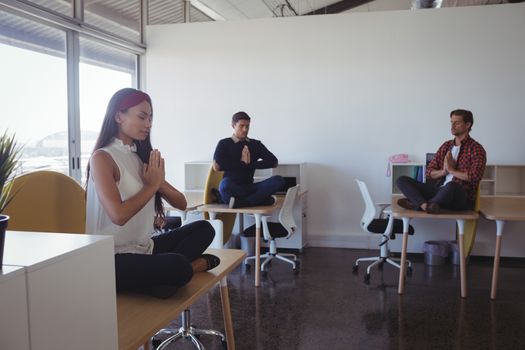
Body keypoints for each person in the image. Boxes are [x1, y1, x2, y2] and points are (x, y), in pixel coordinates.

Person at [85, 88, 219, 298]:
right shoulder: (102, 158)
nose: (149, 124)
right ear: (119, 116)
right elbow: (118, 215)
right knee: (178, 266)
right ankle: (182, 269)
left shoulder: (141, 157)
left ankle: (161, 277)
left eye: (150, 118)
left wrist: (157, 183)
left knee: (204, 228)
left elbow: (182, 203)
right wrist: (151, 187)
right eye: (142, 117)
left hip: (144, 248)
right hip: (110, 258)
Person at [396, 109, 486, 214]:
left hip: (460, 197)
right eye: (451, 122)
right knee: (401, 180)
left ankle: (419, 204)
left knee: (452, 186)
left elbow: (475, 176)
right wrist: (444, 171)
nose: (452, 126)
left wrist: (452, 171)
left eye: (457, 123)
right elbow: (429, 173)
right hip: (439, 191)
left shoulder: (476, 148)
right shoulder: (446, 146)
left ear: (467, 125)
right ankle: (427, 206)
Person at [212, 111, 285, 208]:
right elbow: (217, 166)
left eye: (247, 126)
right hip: (232, 186)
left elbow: (274, 162)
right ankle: (259, 200)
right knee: (224, 185)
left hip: (250, 187)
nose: (245, 129)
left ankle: (242, 202)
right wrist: (241, 163)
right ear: (233, 125)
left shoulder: (255, 144)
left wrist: (250, 164)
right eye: (241, 126)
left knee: (278, 180)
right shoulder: (224, 143)